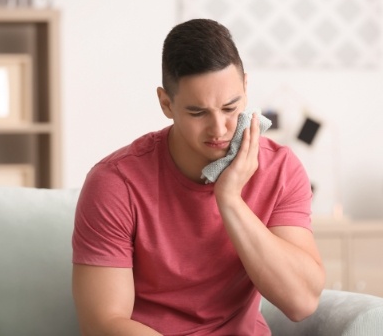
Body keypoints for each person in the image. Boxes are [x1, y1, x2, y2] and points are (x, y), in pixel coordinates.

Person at [72, 18, 325, 335]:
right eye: (198, 112)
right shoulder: (115, 183)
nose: (219, 129)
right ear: (166, 103)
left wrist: (230, 200)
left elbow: (301, 302)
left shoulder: (280, 169)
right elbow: (103, 323)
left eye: (230, 108)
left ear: (246, 88)